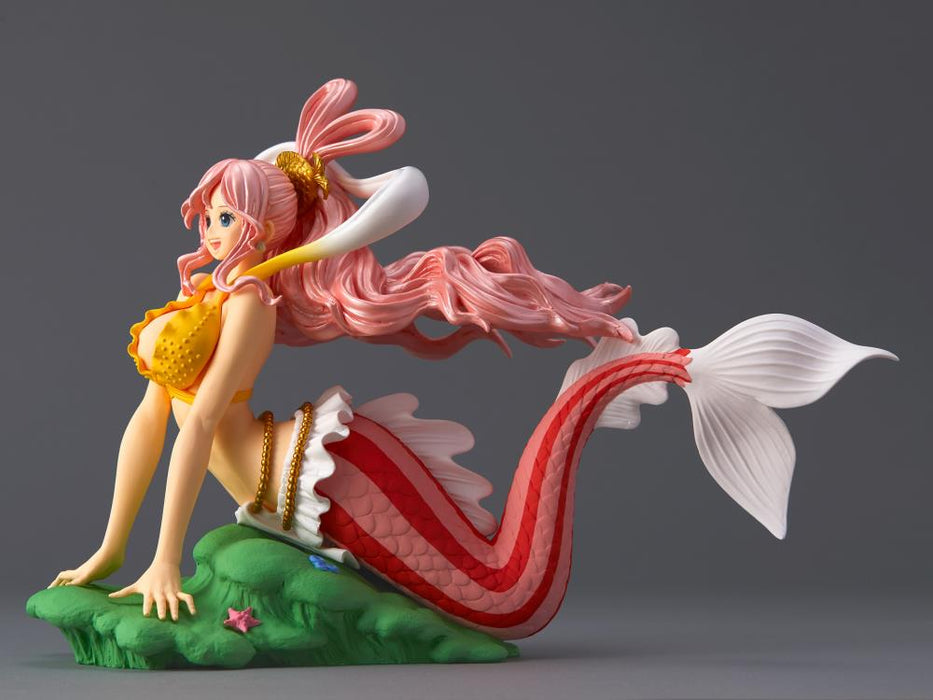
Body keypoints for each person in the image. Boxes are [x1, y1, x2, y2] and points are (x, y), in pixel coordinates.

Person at [47, 79, 894, 641]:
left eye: (229, 218)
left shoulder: (248, 304)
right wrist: (112, 552)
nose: (211, 231)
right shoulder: (202, 300)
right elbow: (152, 421)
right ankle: (635, 377)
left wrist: (167, 558)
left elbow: (199, 423)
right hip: (286, 480)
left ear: (263, 229)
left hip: (317, 476)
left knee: (504, 594)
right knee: (494, 588)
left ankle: (652, 374)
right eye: (208, 216)